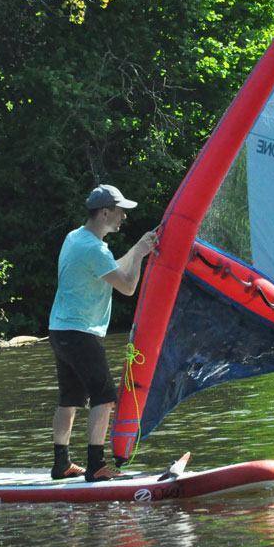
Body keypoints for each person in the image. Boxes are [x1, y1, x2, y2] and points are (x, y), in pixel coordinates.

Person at [47, 184, 158, 481]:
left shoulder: (76, 238)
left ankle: (62, 463)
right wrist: (140, 257)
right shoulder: (92, 248)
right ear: (105, 212)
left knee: (69, 399)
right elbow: (127, 286)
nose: (124, 217)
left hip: (60, 329)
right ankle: (96, 466)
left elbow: (110, 271)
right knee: (105, 397)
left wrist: (137, 250)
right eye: (120, 211)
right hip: (80, 331)